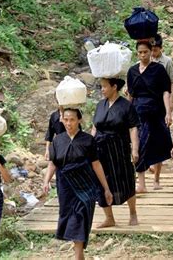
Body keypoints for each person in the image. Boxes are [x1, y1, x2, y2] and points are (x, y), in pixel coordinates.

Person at [43, 108, 113, 260]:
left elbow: (96, 165)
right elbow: (53, 164)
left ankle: (78, 254)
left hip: (86, 185)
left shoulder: (88, 140)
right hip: (65, 186)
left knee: (81, 216)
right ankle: (79, 254)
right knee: (70, 217)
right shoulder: (57, 140)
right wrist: (46, 181)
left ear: (79, 120)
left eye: (72, 120)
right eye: (66, 120)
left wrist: (106, 188)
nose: (69, 123)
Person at [91, 78, 140, 228]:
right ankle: (109, 218)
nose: (102, 89)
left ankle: (133, 213)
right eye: (101, 87)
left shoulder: (126, 106)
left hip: (119, 148)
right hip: (100, 148)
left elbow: (133, 128)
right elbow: (94, 127)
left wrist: (135, 149)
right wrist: (89, 145)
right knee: (101, 181)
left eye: (105, 86)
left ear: (114, 87)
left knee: (126, 178)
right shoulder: (100, 105)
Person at [127, 40, 173, 192]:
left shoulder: (158, 69)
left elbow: (166, 91)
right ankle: (141, 183)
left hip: (155, 111)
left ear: (150, 52)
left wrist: (168, 111)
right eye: (140, 52)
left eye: (145, 52)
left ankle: (156, 179)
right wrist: (126, 113)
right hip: (138, 113)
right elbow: (131, 95)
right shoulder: (132, 71)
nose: (142, 55)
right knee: (138, 144)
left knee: (156, 144)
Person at [151, 33, 173, 103]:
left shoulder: (167, 61)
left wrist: (171, 99)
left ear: (161, 48)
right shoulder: (146, 60)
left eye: (155, 50)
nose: (152, 53)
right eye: (151, 50)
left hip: (163, 97)